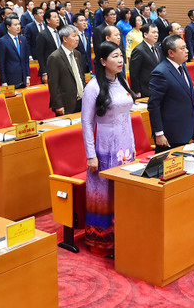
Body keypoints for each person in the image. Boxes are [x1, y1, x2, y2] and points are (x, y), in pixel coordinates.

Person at [81, 41, 135, 256]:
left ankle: (123, 236)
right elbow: (87, 122)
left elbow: (127, 117)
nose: (120, 60)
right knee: (104, 194)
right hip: (105, 148)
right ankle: (102, 242)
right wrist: (90, 155)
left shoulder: (121, 81)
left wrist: (132, 145)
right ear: (103, 61)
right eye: (114, 56)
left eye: (121, 55)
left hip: (125, 148)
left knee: (123, 193)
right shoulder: (93, 87)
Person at [148, 35, 194, 151]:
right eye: (182, 48)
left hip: (186, 129)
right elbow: (154, 105)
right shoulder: (161, 72)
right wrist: (159, 133)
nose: (187, 51)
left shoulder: (182, 66)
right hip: (170, 134)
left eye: (186, 47)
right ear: (171, 53)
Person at [46, 25, 86, 116]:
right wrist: (58, 105)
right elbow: (53, 84)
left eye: (77, 35)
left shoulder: (77, 54)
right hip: (66, 103)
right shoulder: (55, 57)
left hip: (82, 100)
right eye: (74, 36)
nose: (77, 38)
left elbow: (81, 76)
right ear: (65, 39)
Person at [0, 15, 30, 89]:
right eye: (15, 25)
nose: (18, 27)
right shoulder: (2, 41)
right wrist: (3, 81)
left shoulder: (23, 39)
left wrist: (27, 76)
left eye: (19, 24)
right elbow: (1, 64)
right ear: (8, 27)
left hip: (23, 77)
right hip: (10, 78)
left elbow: (26, 60)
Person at [130, 24, 162, 98]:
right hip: (145, 89)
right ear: (145, 34)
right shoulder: (139, 50)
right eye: (153, 32)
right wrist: (137, 91)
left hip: (158, 87)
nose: (156, 35)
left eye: (157, 32)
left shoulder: (157, 47)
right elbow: (134, 73)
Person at [36, 9, 63, 81]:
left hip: (61, 67)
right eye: (54, 17)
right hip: (49, 69)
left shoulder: (60, 33)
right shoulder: (42, 34)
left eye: (58, 17)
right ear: (48, 20)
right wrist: (44, 72)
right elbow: (40, 55)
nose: (58, 19)